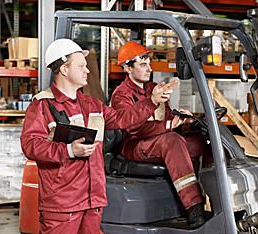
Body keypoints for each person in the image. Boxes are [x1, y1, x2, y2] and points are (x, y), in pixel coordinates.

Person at [20, 38, 173, 234]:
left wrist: (151, 101)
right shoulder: (42, 106)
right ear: (64, 70)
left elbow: (122, 119)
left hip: (93, 199)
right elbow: (30, 145)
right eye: (81, 66)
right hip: (63, 203)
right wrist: (69, 150)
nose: (88, 70)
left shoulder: (91, 104)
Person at [111, 41, 212, 229]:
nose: (149, 68)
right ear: (127, 68)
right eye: (143, 65)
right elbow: (133, 128)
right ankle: (194, 208)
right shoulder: (121, 95)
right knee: (171, 140)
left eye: (149, 63)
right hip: (135, 145)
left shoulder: (153, 88)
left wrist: (184, 122)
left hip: (157, 140)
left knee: (203, 140)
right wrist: (168, 125)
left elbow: (167, 117)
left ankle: (217, 199)